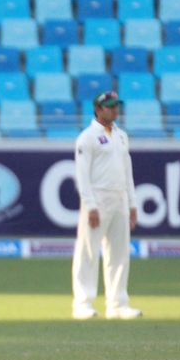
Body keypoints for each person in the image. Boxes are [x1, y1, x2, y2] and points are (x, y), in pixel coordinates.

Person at [71, 91, 142, 320]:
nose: (114, 110)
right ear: (98, 109)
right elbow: (82, 175)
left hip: (119, 197)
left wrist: (132, 202)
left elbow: (127, 172)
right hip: (98, 198)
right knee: (88, 251)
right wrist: (90, 205)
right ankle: (82, 303)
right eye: (109, 106)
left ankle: (118, 304)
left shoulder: (121, 136)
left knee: (120, 252)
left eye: (116, 106)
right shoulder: (87, 137)